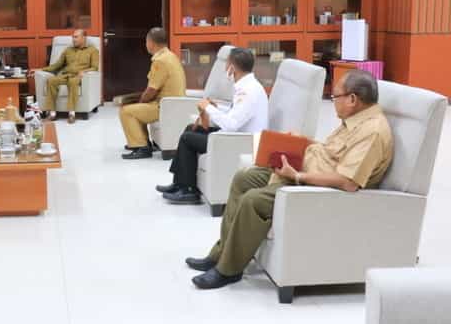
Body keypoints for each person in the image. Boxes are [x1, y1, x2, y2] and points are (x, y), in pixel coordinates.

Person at [187, 69, 393, 290]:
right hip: (303, 171)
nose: (333, 102)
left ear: (352, 99)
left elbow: (347, 182)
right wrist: (304, 142)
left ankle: (228, 270)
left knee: (253, 200)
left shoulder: (372, 132)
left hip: (317, 188)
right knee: (243, 178)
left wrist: (296, 176)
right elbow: (331, 153)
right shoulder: (354, 120)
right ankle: (221, 253)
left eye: (335, 97)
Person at [158, 47, 269, 203]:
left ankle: (189, 191)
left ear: (232, 68)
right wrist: (216, 108)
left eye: (227, 64)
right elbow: (236, 114)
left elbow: (231, 124)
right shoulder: (247, 86)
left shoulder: (248, 92)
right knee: (190, 129)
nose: (225, 68)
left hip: (240, 142)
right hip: (235, 136)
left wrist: (208, 108)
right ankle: (179, 183)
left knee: (187, 138)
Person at [119, 27, 185, 159]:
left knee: (125, 111)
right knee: (137, 107)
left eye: (146, 42)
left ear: (151, 43)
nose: (146, 44)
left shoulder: (160, 61)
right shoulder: (170, 56)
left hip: (165, 106)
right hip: (173, 104)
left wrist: (141, 102)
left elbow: (152, 90)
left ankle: (141, 147)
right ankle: (144, 142)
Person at [28, 29, 99, 124]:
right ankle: (52, 113)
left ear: (83, 38)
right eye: (73, 37)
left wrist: (84, 71)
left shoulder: (93, 50)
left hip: (79, 76)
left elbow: (95, 67)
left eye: (76, 37)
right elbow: (57, 65)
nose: (73, 39)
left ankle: (71, 113)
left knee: (73, 82)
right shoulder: (68, 50)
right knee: (51, 80)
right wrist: (41, 69)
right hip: (66, 75)